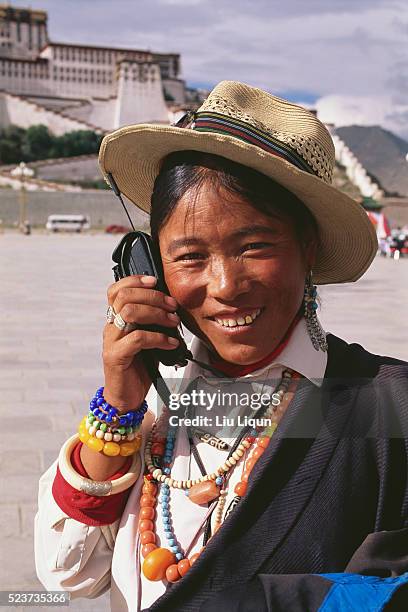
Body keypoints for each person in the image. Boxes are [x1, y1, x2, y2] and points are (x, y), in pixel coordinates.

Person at [35, 81, 408, 611]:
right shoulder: (152, 409)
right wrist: (117, 407)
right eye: (189, 256)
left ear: (309, 248)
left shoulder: (389, 411)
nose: (225, 286)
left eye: (254, 247)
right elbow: (67, 576)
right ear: (150, 267)